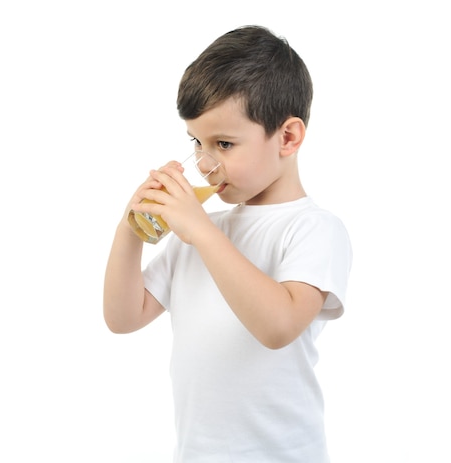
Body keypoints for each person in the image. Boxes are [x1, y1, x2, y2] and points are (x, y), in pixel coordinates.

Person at [103, 25, 352, 462]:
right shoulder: (199, 231)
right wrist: (129, 226)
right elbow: (123, 318)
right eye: (196, 142)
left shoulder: (314, 229)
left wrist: (201, 231)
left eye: (224, 143)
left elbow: (278, 326)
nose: (202, 162)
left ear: (288, 138)